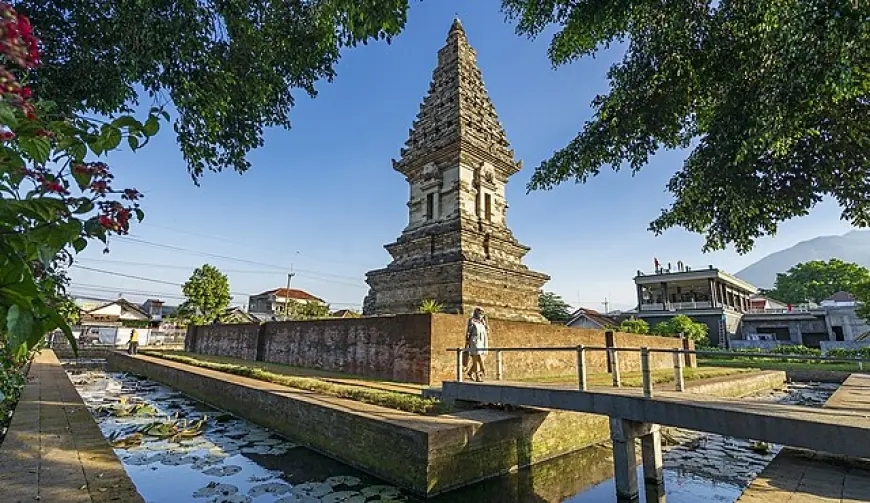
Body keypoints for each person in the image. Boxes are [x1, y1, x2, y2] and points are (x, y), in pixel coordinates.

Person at [465, 308, 489, 382]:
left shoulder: (483, 321)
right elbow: (468, 332)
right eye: (479, 312)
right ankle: (479, 374)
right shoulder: (471, 320)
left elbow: (487, 332)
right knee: (478, 357)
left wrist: (487, 327)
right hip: (475, 340)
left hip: (483, 340)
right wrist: (467, 342)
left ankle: (470, 372)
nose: (481, 313)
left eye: (482, 312)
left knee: (482, 357)